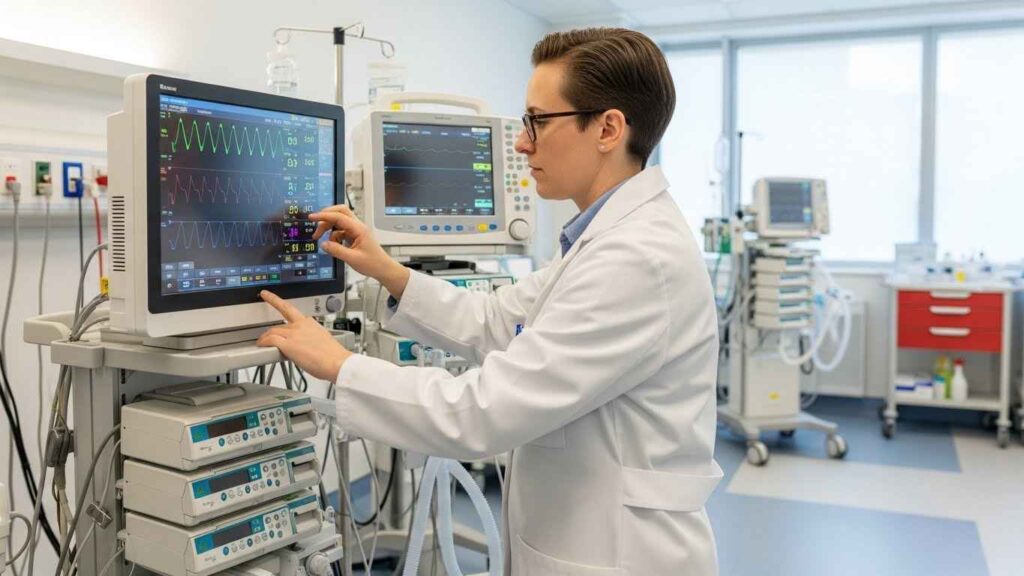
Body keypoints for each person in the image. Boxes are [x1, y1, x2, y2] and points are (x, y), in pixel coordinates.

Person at [257, 27, 722, 575]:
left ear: (608, 129)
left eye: (536, 122)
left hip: (619, 553)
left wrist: (341, 366)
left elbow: (484, 412)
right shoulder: (602, 240)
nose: (523, 144)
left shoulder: (637, 258)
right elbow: (497, 318)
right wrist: (387, 271)